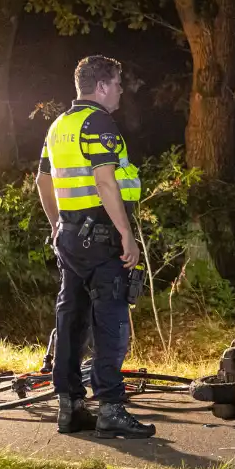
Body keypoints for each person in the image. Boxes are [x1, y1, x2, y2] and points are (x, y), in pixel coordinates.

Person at [35, 55, 154, 438]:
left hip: (70, 236)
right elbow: (106, 182)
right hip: (101, 236)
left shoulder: (59, 125)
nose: (120, 89)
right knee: (111, 320)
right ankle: (111, 410)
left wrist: (56, 224)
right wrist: (126, 234)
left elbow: (43, 179)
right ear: (101, 86)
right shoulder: (97, 121)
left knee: (71, 319)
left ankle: (69, 408)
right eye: (117, 82)